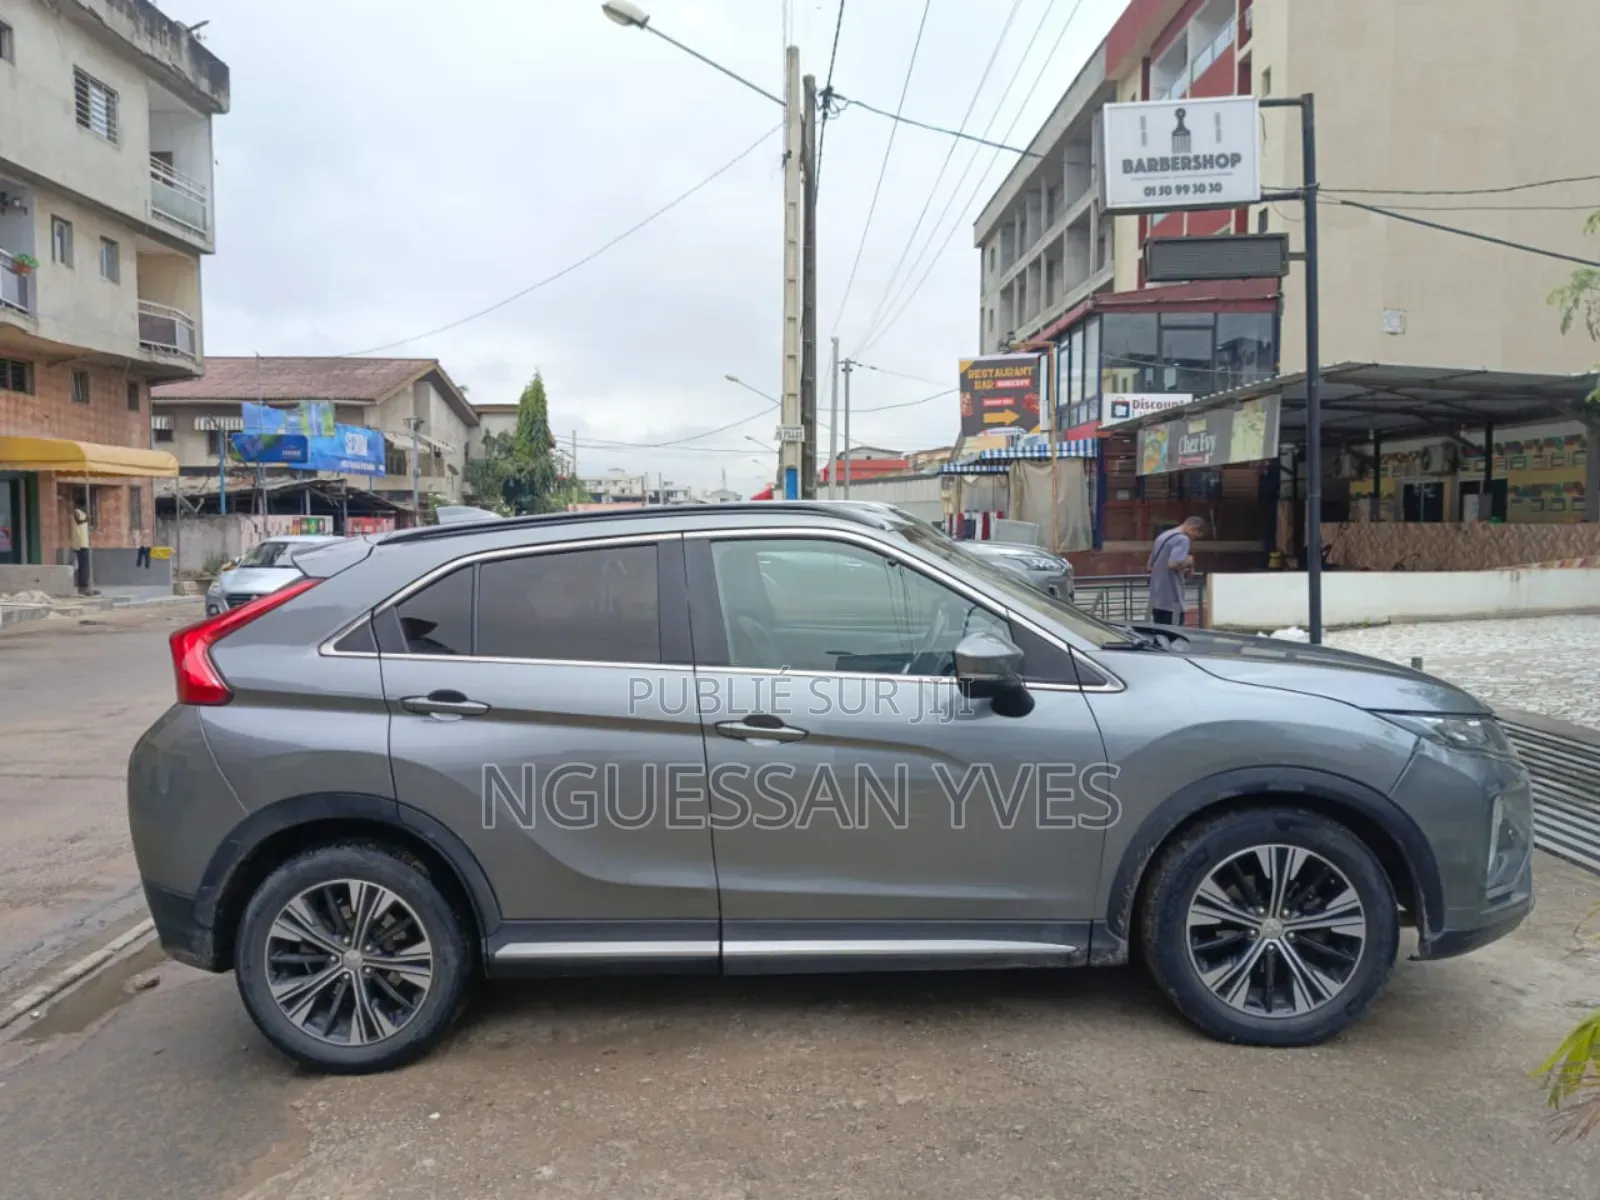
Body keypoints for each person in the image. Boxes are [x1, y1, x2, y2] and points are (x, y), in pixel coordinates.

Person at [1148, 516, 1207, 626]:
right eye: (1196, 536)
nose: (1194, 539)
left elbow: (1150, 564)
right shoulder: (1182, 539)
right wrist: (1189, 561)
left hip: (1157, 594)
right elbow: (1173, 564)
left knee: (1160, 633)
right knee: (1174, 636)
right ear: (1193, 528)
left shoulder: (1164, 536)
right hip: (1172, 598)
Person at [71, 505, 92, 594]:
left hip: (85, 543)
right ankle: (82, 586)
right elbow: (79, 521)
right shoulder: (76, 512)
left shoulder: (83, 514)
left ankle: (85, 585)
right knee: (82, 566)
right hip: (79, 544)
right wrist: (87, 519)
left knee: (85, 566)